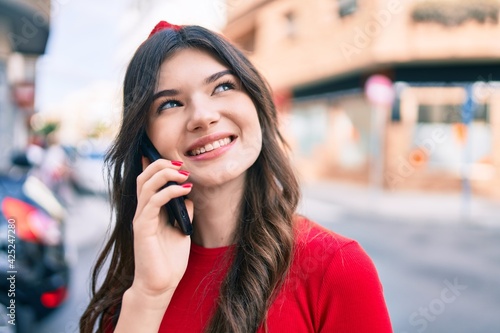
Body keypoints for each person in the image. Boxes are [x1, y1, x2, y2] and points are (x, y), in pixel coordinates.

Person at [80, 21, 393, 333]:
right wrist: (149, 296)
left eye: (223, 86)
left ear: (256, 105)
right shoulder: (138, 285)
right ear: (146, 146)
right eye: (170, 104)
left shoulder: (338, 267)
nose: (203, 116)